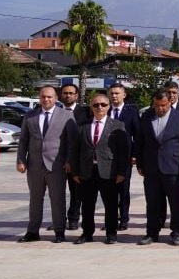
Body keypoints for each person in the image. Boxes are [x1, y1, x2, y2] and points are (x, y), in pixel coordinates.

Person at [16, 86, 75, 243]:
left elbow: (71, 142)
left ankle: (59, 231)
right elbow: (23, 141)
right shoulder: (30, 116)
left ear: (56, 98)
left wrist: (69, 161)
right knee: (35, 200)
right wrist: (21, 160)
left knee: (57, 200)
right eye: (43, 97)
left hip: (57, 165)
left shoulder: (66, 115)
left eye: (49, 97)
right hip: (35, 166)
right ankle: (33, 231)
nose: (46, 99)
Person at [68, 93, 129, 244]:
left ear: (108, 107)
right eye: (96, 105)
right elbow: (74, 151)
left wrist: (122, 172)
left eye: (103, 104)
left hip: (109, 172)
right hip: (87, 172)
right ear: (91, 107)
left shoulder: (117, 125)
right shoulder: (83, 127)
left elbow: (123, 151)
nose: (99, 107)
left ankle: (111, 233)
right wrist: (75, 172)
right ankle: (87, 233)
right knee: (87, 205)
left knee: (111, 205)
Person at [134, 89, 179, 246]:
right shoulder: (146, 117)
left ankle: (177, 232)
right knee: (153, 202)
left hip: (174, 166)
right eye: (157, 105)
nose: (160, 108)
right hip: (151, 167)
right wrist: (140, 163)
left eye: (164, 105)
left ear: (170, 103)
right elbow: (140, 141)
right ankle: (152, 232)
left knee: (177, 202)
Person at [107, 83, 139, 232]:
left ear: (124, 95)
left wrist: (135, 154)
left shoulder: (131, 112)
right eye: (112, 93)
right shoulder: (104, 109)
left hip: (125, 157)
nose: (114, 96)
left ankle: (124, 219)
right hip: (106, 157)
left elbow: (137, 135)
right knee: (109, 191)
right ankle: (111, 220)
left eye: (117, 93)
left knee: (123, 190)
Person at [58, 83, 87, 229]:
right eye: (65, 93)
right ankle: (58, 220)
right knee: (57, 192)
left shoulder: (86, 113)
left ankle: (74, 218)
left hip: (77, 159)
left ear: (76, 95)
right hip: (56, 159)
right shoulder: (55, 111)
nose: (68, 95)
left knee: (76, 191)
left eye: (71, 93)